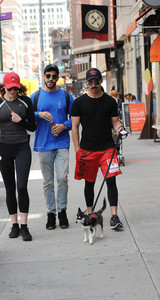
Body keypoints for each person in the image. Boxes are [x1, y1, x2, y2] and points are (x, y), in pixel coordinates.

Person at [71, 68, 126, 230]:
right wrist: (77, 149)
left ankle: (114, 217)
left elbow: (115, 121)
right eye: (91, 82)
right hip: (87, 150)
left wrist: (120, 127)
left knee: (111, 180)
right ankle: (90, 214)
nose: (94, 84)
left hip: (107, 148)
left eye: (96, 81)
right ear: (86, 82)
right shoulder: (79, 103)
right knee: (90, 183)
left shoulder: (110, 101)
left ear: (101, 81)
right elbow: (74, 126)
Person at [0, 72, 36, 241]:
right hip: (4, 149)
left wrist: (20, 121)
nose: (13, 91)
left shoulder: (26, 102)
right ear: (4, 87)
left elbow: (33, 127)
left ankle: (24, 226)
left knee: (22, 187)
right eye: (10, 88)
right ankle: (14, 225)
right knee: (9, 188)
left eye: (16, 88)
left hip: (22, 146)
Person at [30, 64, 74, 230]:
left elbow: (76, 118)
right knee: (48, 182)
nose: (50, 79)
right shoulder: (35, 96)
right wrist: (38, 114)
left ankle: (62, 211)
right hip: (43, 144)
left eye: (54, 76)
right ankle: (51, 214)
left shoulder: (66, 96)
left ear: (58, 78)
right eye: (48, 76)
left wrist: (64, 125)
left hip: (62, 143)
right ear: (43, 76)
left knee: (62, 178)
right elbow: (25, 113)